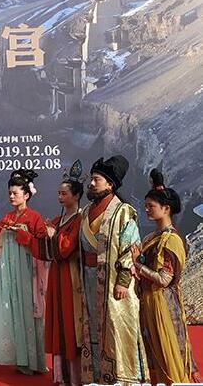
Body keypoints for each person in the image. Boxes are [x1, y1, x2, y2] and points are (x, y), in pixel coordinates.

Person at [79, 155, 148, 384]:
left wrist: (123, 280)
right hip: (89, 277)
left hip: (113, 281)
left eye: (96, 180)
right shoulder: (86, 211)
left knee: (116, 326)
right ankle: (96, 376)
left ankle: (123, 377)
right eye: (91, 179)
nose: (91, 183)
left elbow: (131, 248)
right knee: (92, 324)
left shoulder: (123, 211)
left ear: (110, 184)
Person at [132, 168, 200, 384]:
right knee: (153, 350)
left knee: (168, 348)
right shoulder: (153, 237)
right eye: (145, 205)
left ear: (166, 208)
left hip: (163, 303)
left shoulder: (170, 240)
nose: (146, 210)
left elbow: (164, 280)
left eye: (151, 206)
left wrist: (137, 265)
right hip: (149, 301)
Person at [0, 169, 49, 375]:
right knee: (13, 311)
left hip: (28, 272)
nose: (11, 196)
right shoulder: (7, 217)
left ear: (26, 195)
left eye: (15, 193)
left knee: (29, 311)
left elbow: (42, 245)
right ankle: (19, 359)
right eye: (10, 193)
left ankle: (35, 361)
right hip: (10, 272)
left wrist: (21, 233)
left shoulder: (35, 217)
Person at [39, 161, 86, 386]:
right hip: (57, 274)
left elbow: (66, 249)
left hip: (71, 275)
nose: (60, 197)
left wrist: (53, 235)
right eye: (58, 193)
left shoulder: (80, 219)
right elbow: (48, 247)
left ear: (76, 196)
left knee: (70, 320)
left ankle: (75, 376)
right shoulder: (59, 220)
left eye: (64, 193)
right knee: (59, 319)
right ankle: (61, 375)